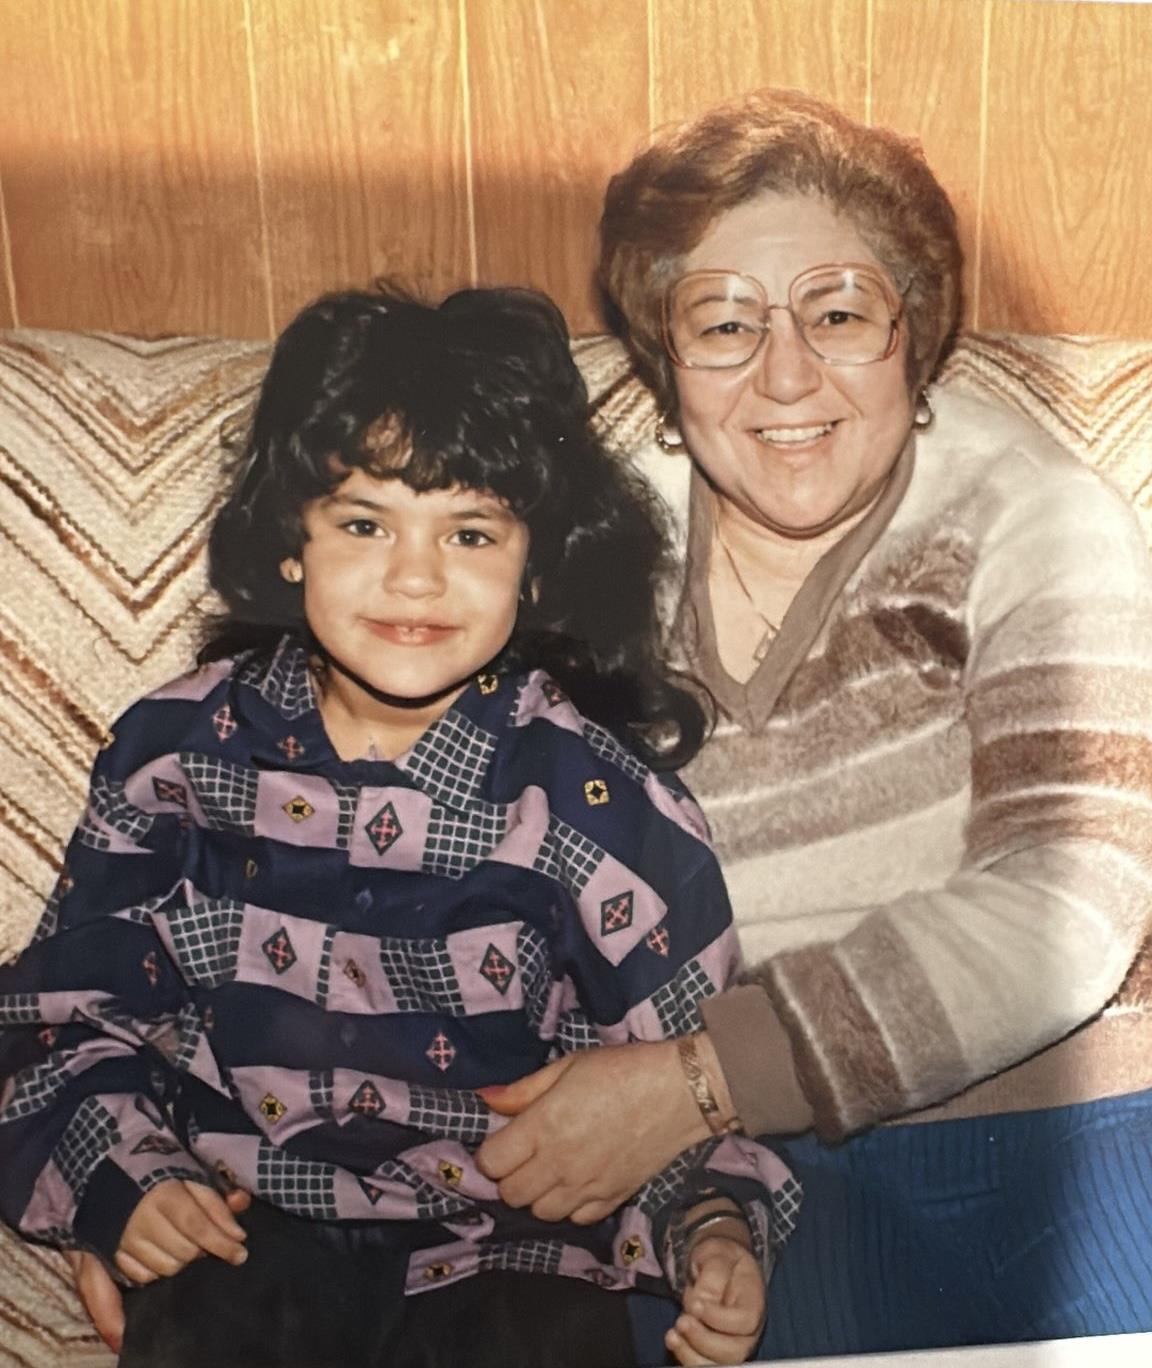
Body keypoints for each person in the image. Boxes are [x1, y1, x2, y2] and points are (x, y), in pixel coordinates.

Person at [0, 286, 800, 1368]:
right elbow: (60, 1013)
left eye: (469, 532)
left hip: (518, 1251)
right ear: (290, 540)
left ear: (539, 565)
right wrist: (122, 1179)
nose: (414, 577)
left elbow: (672, 1091)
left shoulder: (601, 807)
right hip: (247, 1224)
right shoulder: (176, 755)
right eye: (365, 522)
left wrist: (713, 1235)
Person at [475, 88, 1152, 1359]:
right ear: (664, 357)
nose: (787, 377)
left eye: (839, 313)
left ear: (916, 330)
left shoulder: (1033, 519)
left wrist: (693, 1081)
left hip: (1054, 1132)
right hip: (712, 1189)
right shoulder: (576, 547)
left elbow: (1072, 900)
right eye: (725, 324)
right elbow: (377, 834)